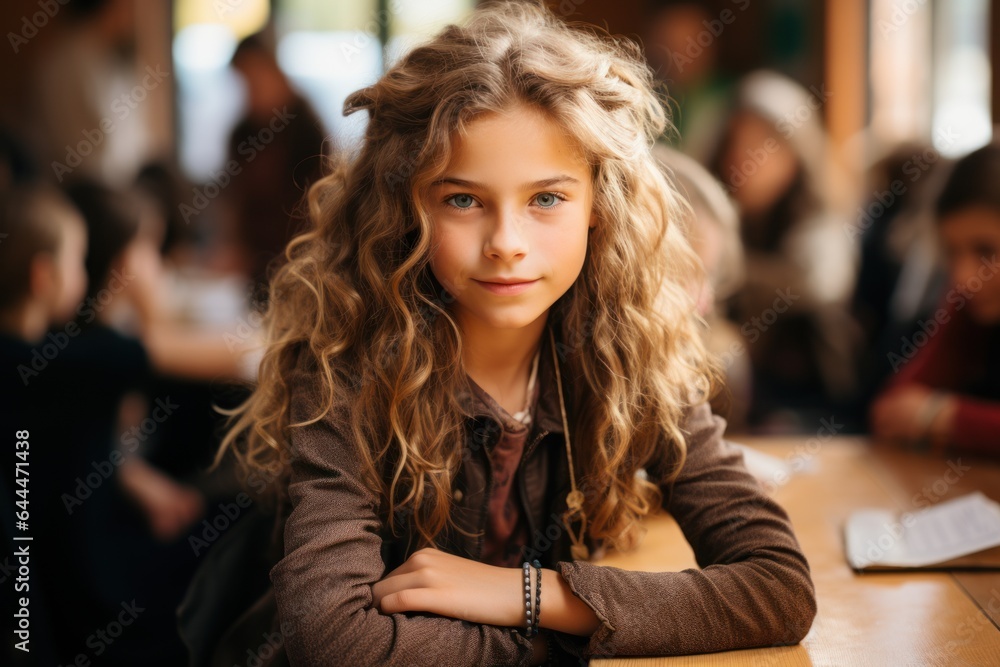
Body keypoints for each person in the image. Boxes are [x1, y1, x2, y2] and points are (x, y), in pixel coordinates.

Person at [210, 3, 816, 665]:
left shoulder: (630, 351)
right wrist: (582, 631)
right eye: (463, 199)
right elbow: (337, 641)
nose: (506, 244)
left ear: (598, 207)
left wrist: (527, 594)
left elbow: (779, 587)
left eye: (546, 199)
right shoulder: (345, 366)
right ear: (407, 210)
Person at [708, 70, 861, 431]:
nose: (743, 160)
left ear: (797, 151)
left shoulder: (818, 219)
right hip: (731, 397)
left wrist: (725, 267)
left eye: (763, 145)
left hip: (809, 402)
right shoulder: (714, 212)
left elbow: (820, 284)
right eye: (735, 143)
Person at [870, 141, 1000, 459]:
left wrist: (942, 416)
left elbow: (919, 410)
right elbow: (891, 410)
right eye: (951, 252)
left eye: (986, 251)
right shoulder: (969, 301)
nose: (964, 277)